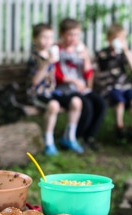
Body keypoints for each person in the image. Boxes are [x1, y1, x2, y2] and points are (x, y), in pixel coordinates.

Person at [27, 23, 83, 156]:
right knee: (54, 105)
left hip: (52, 92)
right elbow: (35, 81)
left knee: (76, 101)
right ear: (35, 39)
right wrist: (47, 63)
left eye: (50, 38)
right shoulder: (35, 57)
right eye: (44, 37)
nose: (47, 41)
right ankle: (48, 142)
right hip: (37, 94)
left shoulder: (51, 53)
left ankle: (69, 137)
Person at [55, 18, 107, 152]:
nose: (73, 38)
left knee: (101, 103)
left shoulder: (80, 50)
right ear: (62, 34)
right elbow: (56, 75)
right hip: (64, 90)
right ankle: (74, 137)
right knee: (87, 105)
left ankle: (89, 137)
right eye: (70, 34)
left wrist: (86, 58)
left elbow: (88, 73)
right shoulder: (57, 50)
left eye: (76, 34)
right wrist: (73, 81)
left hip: (80, 89)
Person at [95, 23, 132, 144]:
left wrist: (126, 51)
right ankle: (119, 128)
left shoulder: (124, 54)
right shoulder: (102, 54)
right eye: (115, 38)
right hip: (110, 86)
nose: (118, 41)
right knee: (119, 102)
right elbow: (96, 72)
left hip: (125, 85)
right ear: (108, 39)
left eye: (121, 38)